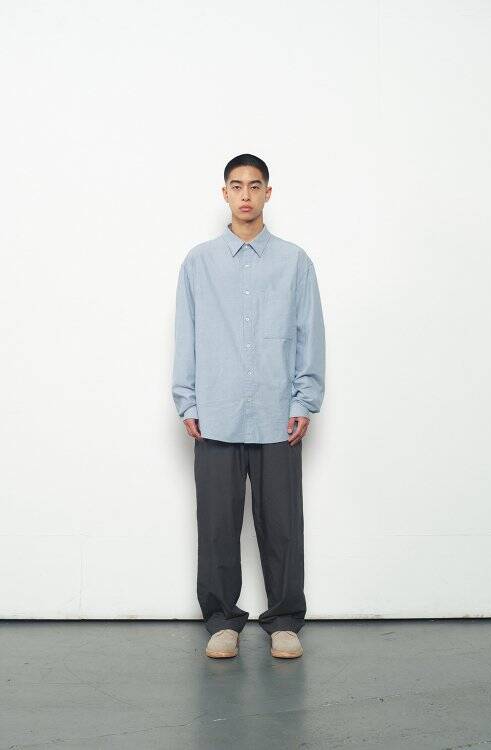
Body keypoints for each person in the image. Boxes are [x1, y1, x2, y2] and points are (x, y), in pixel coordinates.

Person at [172, 153, 326, 659]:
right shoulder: (199, 262)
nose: (245, 194)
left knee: (282, 526)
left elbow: (308, 333)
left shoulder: (295, 262)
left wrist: (305, 398)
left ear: (267, 193)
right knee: (217, 525)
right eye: (236, 185)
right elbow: (187, 334)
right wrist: (187, 400)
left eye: (254, 185)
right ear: (224, 193)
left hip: (278, 415)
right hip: (215, 412)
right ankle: (222, 620)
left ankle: (283, 620)